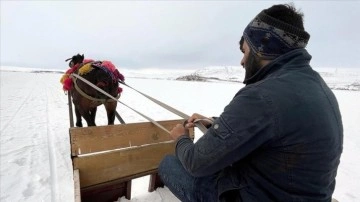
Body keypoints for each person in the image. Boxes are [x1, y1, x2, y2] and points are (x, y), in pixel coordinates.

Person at [158, 4, 343, 202]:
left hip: (259, 196)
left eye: (245, 51)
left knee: (169, 164)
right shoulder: (318, 87)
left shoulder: (261, 95)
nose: (242, 61)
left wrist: (181, 139)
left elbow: (196, 163)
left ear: (262, 48)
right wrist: (215, 123)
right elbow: (273, 127)